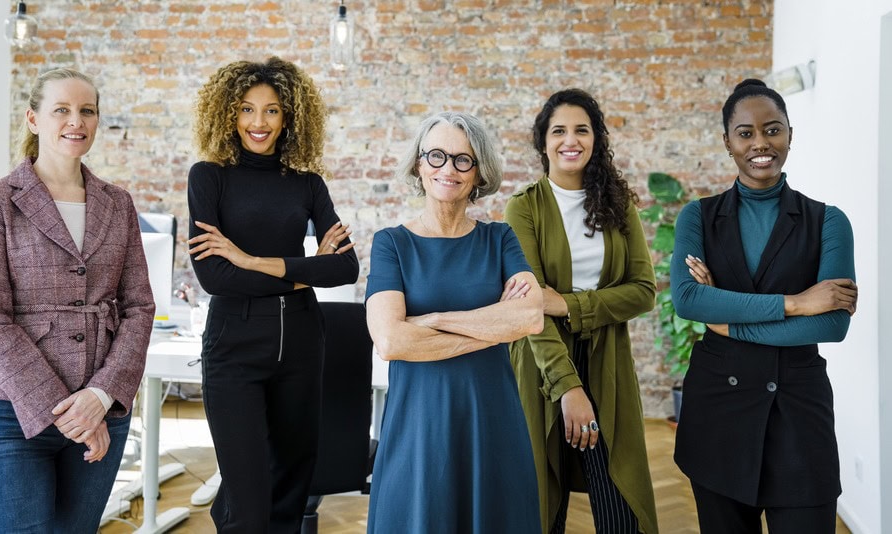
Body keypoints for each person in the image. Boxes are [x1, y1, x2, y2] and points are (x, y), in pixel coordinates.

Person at [0, 68, 155, 532]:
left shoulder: (117, 202)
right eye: (61, 110)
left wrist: (101, 396)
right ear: (33, 119)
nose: (76, 121)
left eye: (87, 111)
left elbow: (139, 307)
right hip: (12, 414)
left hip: (100, 411)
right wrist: (68, 412)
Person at [672, 79, 857, 534]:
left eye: (772, 130)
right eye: (746, 133)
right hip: (718, 416)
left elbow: (833, 323)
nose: (760, 144)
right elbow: (689, 298)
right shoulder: (697, 217)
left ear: (790, 134)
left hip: (799, 416)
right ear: (728, 142)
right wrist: (797, 303)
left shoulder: (829, 221)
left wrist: (729, 324)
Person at [187, 58, 359, 533]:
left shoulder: (307, 184)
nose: (258, 123)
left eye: (272, 111)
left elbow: (345, 267)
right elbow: (215, 277)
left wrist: (250, 260)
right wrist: (307, 270)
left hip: (303, 343)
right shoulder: (209, 178)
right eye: (246, 109)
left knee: (291, 494)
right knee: (247, 503)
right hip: (234, 346)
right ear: (229, 113)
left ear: (290, 118)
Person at [365, 111, 543, 533]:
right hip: (419, 426)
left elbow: (530, 316)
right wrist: (494, 326)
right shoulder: (392, 243)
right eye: (437, 156)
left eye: (464, 160)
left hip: (491, 421)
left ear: (479, 173)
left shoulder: (499, 238)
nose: (449, 169)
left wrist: (437, 319)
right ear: (419, 164)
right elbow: (391, 341)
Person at [504, 89, 659, 534]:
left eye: (581, 130)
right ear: (543, 141)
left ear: (596, 139)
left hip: (608, 363)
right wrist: (568, 387)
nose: (570, 140)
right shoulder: (524, 207)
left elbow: (643, 291)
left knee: (621, 506)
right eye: (558, 131)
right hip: (542, 367)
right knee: (540, 505)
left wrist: (568, 303)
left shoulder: (618, 204)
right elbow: (529, 306)